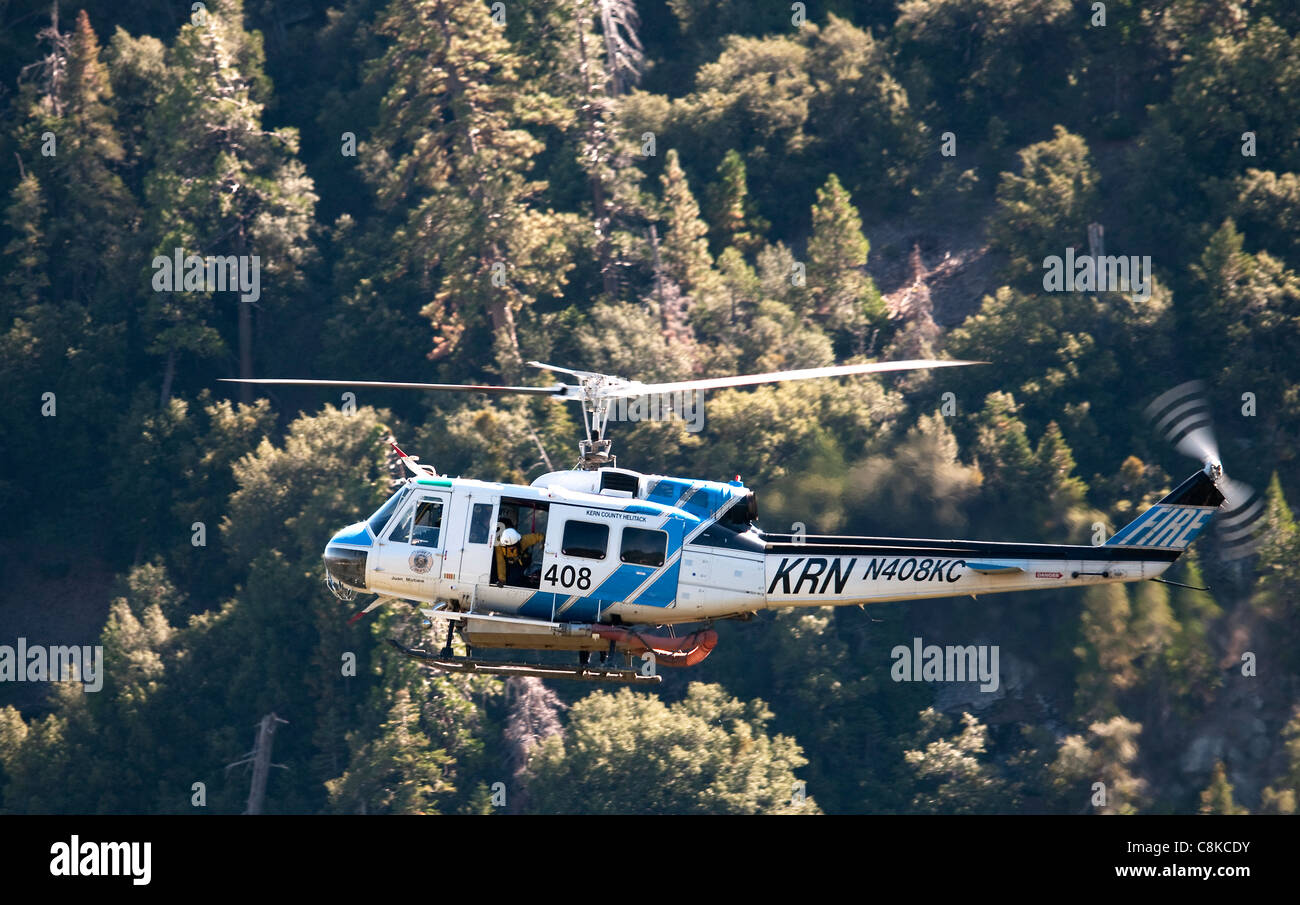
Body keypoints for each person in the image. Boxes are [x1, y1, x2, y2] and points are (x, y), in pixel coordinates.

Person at [494, 518, 545, 586]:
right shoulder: (499, 545)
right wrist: (502, 580)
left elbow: (538, 536)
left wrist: (543, 542)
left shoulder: (523, 540)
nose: (512, 547)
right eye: (509, 546)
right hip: (507, 564)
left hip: (520, 563)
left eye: (514, 545)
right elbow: (500, 562)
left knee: (515, 578)